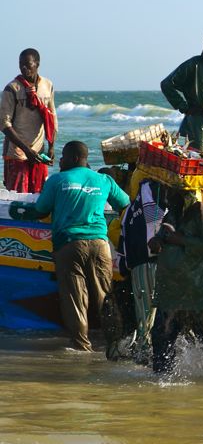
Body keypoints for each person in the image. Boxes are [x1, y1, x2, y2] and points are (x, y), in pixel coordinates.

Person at [32, 141, 130, 350]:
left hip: (69, 244)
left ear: (75, 158)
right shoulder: (104, 180)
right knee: (105, 295)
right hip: (100, 244)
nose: (60, 161)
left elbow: (40, 210)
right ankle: (114, 346)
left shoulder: (58, 180)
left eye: (64, 157)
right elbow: (126, 205)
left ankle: (81, 346)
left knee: (75, 299)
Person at [148, 186, 203, 376]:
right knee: (160, 338)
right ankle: (160, 384)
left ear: (184, 193)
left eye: (170, 191)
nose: (166, 195)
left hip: (200, 292)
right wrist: (157, 241)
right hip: (172, 291)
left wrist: (182, 240)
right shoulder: (171, 214)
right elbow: (165, 237)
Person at [119, 178, 168, 363]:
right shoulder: (160, 209)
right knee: (160, 314)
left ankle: (144, 354)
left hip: (140, 267)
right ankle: (156, 355)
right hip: (159, 265)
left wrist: (125, 269)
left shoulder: (131, 211)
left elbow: (123, 243)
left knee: (145, 316)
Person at [0, 48, 58, 193]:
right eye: (21, 64)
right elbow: (4, 124)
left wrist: (51, 146)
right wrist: (26, 149)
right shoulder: (12, 88)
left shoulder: (47, 85)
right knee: (17, 195)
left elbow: (52, 116)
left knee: (39, 194)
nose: (24, 68)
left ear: (37, 64)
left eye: (28, 64)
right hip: (17, 152)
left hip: (38, 151)